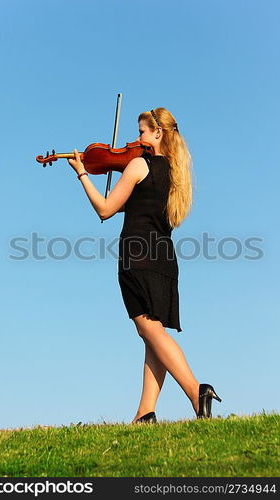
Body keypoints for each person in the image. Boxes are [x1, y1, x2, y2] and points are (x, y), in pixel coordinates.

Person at [68, 107, 222, 423]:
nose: (136, 138)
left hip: (137, 256)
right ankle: (145, 412)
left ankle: (197, 391)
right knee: (152, 335)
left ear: (157, 133)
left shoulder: (139, 165)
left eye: (141, 132)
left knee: (147, 328)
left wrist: (82, 173)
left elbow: (106, 209)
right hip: (165, 259)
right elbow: (142, 208)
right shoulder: (177, 176)